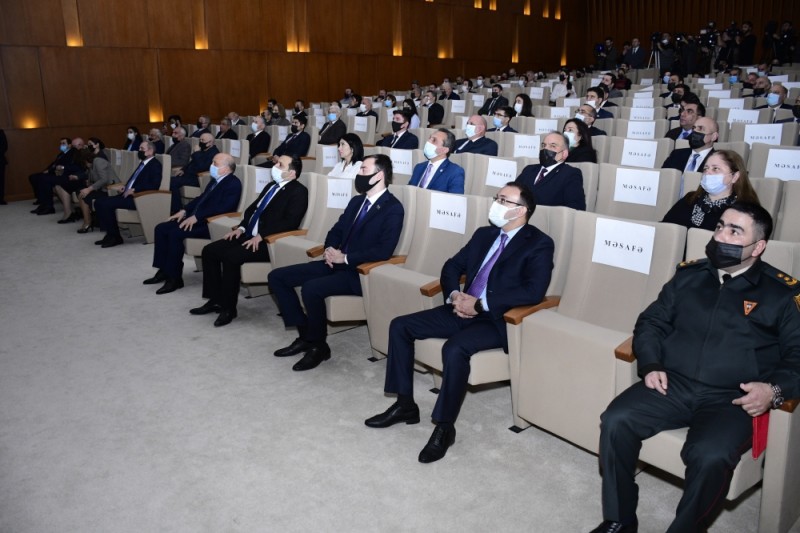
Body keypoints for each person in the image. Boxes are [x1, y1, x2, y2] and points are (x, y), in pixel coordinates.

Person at [589, 201, 800, 533]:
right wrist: (651, 363)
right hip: (672, 383)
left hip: (732, 399)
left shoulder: (782, 293)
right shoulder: (689, 275)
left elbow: (797, 357)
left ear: (758, 246)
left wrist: (773, 390)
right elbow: (651, 323)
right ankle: (619, 519)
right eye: (720, 227)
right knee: (616, 420)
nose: (721, 236)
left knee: (710, 455)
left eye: (735, 231)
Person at [365, 182, 554, 463]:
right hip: (460, 307)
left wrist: (480, 304)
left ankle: (444, 427)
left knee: (454, 349)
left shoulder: (539, 243)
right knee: (400, 326)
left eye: (504, 200)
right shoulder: (484, 235)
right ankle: (405, 405)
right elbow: (452, 266)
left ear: (521, 211)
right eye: (497, 197)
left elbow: (533, 291)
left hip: (495, 319)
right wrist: (455, 295)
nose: (496, 203)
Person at [268, 154, 404, 372]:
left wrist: (346, 258)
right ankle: (306, 337)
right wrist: (330, 249)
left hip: (359, 273)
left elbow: (383, 250)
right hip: (335, 263)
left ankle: (318, 347)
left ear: (379, 175)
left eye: (363, 169)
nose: (359, 173)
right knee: (277, 277)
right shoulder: (356, 201)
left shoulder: (393, 208)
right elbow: (337, 230)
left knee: (311, 289)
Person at [191, 155, 309, 327]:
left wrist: (262, 236)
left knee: (231, 257)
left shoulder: (299, 191)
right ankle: (215, 300)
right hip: (248, 234)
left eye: (280, 165)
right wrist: (241, 228)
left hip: (269, 242)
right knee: (209, 251)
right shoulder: (271, 186)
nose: (275, 166)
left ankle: (228, 308)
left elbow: (290, 222)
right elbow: (252, 210)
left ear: (292, 173)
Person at [144, 153, 242, 295]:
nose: (211, 166)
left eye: (215, 164)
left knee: (175, 234)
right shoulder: (215, 181)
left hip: (211, 224)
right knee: (161, 228)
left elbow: (222, 209)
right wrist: (184, 211)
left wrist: (197, 217)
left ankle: (174, 278)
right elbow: (201, 199)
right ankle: (163, 270)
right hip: (197, 219)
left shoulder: (233, 184)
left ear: (226, 169)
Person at [662, 150, 759, 231]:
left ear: (734, 177)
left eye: (715, 169)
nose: (708, 173)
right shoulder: (690, 199)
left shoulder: (744, 211)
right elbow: (665, 229)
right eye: (706, 168)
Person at [93, 141, 163, 248]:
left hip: (139, 198)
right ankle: (110, 234)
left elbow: (154, 185)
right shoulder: (143, 163)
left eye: (142, 149)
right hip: (128, 194)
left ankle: (115, 237)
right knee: (99, 202)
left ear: (150, 151)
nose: (139, 151)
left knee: (106, 204)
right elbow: (135, 180)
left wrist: (134, 190)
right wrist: (125, 187)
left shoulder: (155, 165)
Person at [515, 133, 586, 210]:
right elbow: (512, 191)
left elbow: (576, 207)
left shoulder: (570, 174)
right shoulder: (529, 169)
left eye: (553, 146)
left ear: (564, 154)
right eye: (544, 145)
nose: (545, 149)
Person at [31, 137, 86, 216]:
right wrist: (51, 170)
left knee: (45, 179)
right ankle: (44, 204)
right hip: (62, 174)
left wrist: (62, 168)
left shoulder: (80, 153)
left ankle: (48, 207)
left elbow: (78, 168)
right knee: (41, 178)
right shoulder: (66, 153)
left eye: (74, 145)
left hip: (72, 177)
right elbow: (56, 164)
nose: (73, 148)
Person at [74, 138, 117, 233]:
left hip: (110, 189)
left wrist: (89, 188)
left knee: (84, 194)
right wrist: (89, 184)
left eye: (85, 162)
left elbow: (104, 179)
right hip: (102, 188)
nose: (85, 165)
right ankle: (88, 221)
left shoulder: (98, 161)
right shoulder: (93, 162)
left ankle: (87, 222)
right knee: (81, 192)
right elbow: (93, 177)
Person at [169, 132, 219, 213]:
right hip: (189, 175)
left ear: (210, 143)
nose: (200, 142)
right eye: (200, 140)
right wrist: (183, 169)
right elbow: (191, 163)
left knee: (172, 182)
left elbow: (202, 167)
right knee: (171, 179)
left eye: (203, 140)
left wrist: (197, 153)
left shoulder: (214, 153)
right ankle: (174, 207)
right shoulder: (203, 150)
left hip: (197, 178)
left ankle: (177, 210)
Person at [409, 129, 464, 194]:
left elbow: (455, 198)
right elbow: (409, 191)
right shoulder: (419, 167)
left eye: (434, 140)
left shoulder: (455, 172)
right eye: (429, 138)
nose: (428, 142)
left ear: (444, 150)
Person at [0, 128, 6, 205]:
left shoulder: (0, 132)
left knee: (1, 181)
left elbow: (5, 146)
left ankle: (0, 199)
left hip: (0, 160)